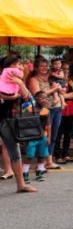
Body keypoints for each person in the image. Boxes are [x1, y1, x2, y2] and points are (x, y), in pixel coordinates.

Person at [0, 56, 38, 192]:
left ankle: (21, 185)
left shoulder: (15, 81)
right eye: (16, 64)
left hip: (8, 121)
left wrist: (20, 83)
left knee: (15, 153)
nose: (19, 66)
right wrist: (10, 96)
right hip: (5, 121)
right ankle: (21, 185)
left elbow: (28, 98)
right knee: (15, 153)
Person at [28, 57, 64, 169]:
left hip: (56, 108)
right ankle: (41, 162)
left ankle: (49, 161)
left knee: (53, 135)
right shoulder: (33, 79)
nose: (44, 68)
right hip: (43, 111)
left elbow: (60, 87)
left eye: (46, 66)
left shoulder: (51, 77)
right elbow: (38, 95)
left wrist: (59, 91)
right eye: (41, 66)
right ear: (36, 68)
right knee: (44, 136)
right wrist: (54, 90)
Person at [54, 61, 73, 165]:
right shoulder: (56, 81)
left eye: (68, 69)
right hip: (60, 108)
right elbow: (71, 94)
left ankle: (66, 154)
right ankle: (58, 155)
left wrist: (64, 96)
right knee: (59, 132)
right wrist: (70, 95)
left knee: (68, 133)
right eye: (64, 68)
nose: (66, 71)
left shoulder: (69, 81)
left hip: (70, 108)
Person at [23, 91, 50, 183]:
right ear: (36, 99)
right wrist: (25, 138)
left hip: (43, 137)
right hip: (32, 137)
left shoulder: (46, 110)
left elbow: (48, 125)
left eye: (46, 98)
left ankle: (39, 172)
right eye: (42, 98)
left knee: (42, 155)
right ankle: (25, 173)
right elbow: (25, 124)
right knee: (29, 156)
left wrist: (49, 137)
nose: (44, 100)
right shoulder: (29, 109)